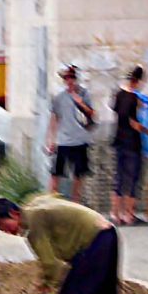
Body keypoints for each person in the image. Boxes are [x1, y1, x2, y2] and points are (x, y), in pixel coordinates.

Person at [110, 66, 148, 225]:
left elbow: (118, 112)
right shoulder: (136, 99)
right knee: (132, 178)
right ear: (139, 80)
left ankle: (115, 213)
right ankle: (128, 214)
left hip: (119, 140)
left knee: (119, 176)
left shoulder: (118, 95)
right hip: (132, 142)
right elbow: (136, 125)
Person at [46, 66, 95, 202]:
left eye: (72, 78)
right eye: (67, 78)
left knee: (78, 173)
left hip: (80, 139)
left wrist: (81, 103)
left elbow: (92, 114)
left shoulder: (84, 94)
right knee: (56, 172)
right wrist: (51, 140)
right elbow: (54, 119)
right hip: (63, 140)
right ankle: (52, 200)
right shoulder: (58, 98)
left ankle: (76, 200)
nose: (70, 81)